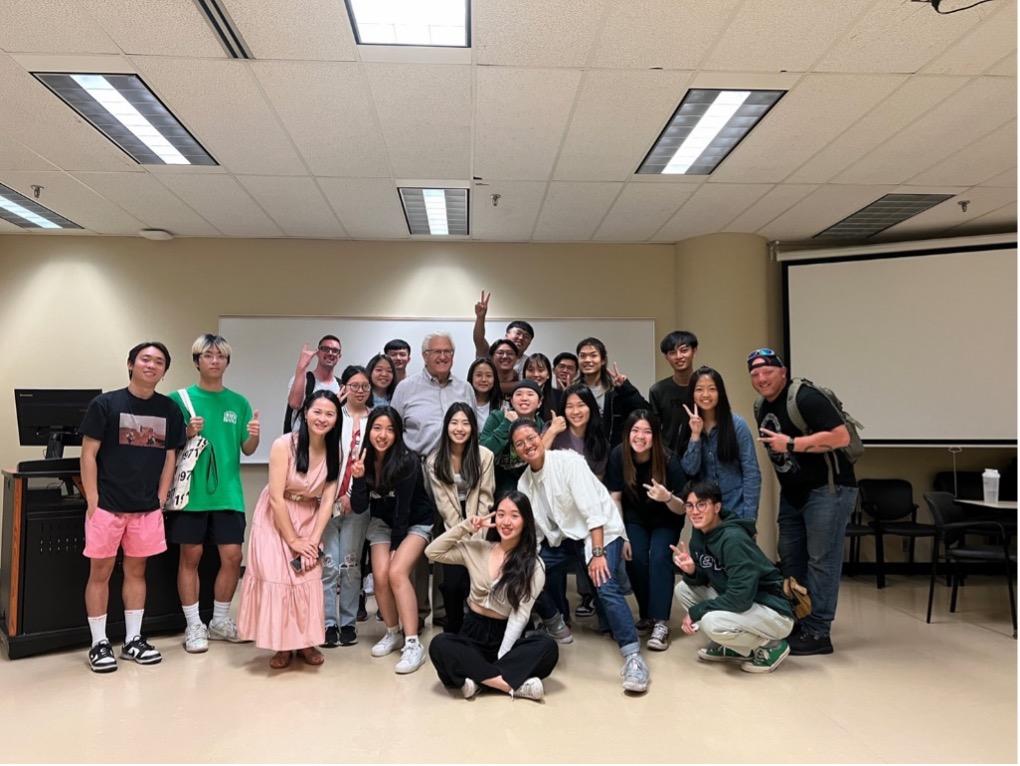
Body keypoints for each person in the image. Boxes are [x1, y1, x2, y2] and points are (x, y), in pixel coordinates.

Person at [512, 420, 651, 694]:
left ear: (541, 437)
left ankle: (634, 657)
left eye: (531, 438)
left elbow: (593, 512)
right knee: (526, 571)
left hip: (599, 531)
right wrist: (528, 561)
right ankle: (555, 623)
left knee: (604, 582)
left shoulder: (568, 462)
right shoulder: (524, 482)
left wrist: (597, 554)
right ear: (516, 451)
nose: (528, 445)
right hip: (564, 538)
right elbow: (538, 532)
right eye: (520, 443)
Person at [79, 342, 187, 673]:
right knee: (100, 573)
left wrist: (161, 497)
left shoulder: (169, 409)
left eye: (159, 362)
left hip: (146, 508)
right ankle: (99, 643)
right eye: (145, 359)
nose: (151, 366)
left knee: (137, 572)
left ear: (164, 370)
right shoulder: (105, 404)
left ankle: (133, 640)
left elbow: (171, 456)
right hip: (107, 507)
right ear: (131, 364)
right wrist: (93, 500)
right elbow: (88, 454)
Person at [747, 348, 857, 656]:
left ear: (782, 372)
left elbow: (841, 437)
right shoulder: (760, 406)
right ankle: (797, 621)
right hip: (794, 494)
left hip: (828, 490)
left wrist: (793, 443)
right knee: (790, 557)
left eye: (767, 371)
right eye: (754, 374)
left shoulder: (806, 397)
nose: (760, 378)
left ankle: (819, 631)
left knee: (822, 560)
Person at [167, 334, 259, 654]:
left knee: (233, 557)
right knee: (190, 557)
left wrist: (254, 436)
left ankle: (220, 621)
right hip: (191, 495)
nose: (215, 361)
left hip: (229, 494)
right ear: (197, 361)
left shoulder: (239, 402)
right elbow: (166, 447)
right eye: (208, 356)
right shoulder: (178, 400)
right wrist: (185, 431)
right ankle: (194, 624)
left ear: (227, 362)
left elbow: (247, 448)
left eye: (221, 356)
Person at [237, 391, 340, 669]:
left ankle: (306, 642)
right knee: (277, 578)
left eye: (329, 413)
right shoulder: (284, 445)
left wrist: (312, 540)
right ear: (305, 412)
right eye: (317, 412)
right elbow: (275, 496)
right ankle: (281, 645)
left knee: (307, 575)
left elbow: (328, 500)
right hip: (275, 517)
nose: (322, 418)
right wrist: (293, 539)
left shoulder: (335, 449)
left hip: (309, 516)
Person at [426, 492, 558, 701]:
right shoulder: (478, 548)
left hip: (506, 633)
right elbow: (433, 552)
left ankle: (476, 680)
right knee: (439, 644)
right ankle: (509, 685)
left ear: (525, 522)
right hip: (473, 630)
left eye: (514, 516)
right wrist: (466, 527)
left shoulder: (534, 565)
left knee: (548, 647)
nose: (506, 522)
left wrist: (502, 655)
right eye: (501, 514)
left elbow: (520, 616)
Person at [673, 480, 794, 673]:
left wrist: (697, 611)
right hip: (745, 601)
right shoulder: (699, 534)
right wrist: (692, 571)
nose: (695, 511)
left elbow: (740, 598)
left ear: (717, 507)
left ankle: (771, 645)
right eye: (690, 505)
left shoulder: (733, 539)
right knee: (683, 589)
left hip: (772, 610)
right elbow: (709, 578)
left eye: (702, 504)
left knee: (711, 622)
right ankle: (738, 648)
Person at [351, 407, 435, 674]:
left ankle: (413, 645)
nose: (382, 435)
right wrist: (358, 478)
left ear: (398, 433)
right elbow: (359, 505)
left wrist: (397, 548)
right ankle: (393, 631)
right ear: (369, 431)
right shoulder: (363, 458)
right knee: (379, 576)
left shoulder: (407, 461)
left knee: (397, 572)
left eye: (389, 429)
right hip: (381, 523)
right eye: (377, 428)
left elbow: (404, 509)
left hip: (415, 521)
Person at [605, 411, 686, 652]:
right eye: (635, 431)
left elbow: (682, 509)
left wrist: (667, 497)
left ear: (655, 436)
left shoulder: (669, 460)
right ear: (628, 433)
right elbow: (615, 498)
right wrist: (623, 535)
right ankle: (647, 615)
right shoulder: (620, 454)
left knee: (659, 557)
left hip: (666, 518)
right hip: (634, 517)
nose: (640, 437)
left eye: (647, 432)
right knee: (635, 556)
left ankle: (661, 622)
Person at [425, 403, 495, 634]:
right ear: (446, 427)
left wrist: (478, 535)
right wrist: (461, 535)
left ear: (473, 428)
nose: (460, 428)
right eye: (454, 422)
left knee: (476, 580)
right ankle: (454, 630)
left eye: (465, 423)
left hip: (481, 525)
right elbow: (445, 506)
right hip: (452, 527)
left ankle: (479, 629)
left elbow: (486, 497)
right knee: (453, 584)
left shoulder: (485, 456)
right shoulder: (435, 461)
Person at [542, 382, 609, 619]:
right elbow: (535, 460)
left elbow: (597, 484)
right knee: (550, 565)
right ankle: (560, 618)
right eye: (569, 406)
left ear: (590, 407)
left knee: (597, 564)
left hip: (587, 514)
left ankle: (605, 618)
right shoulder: (556, 433)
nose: (575, 411)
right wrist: (551, 431)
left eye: (581, 405)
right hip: (555, 513)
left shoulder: (598, 438)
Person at [321, 366, 372, 648]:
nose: (360, 390)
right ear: (346, 387)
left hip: (358, 504)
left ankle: (348, 622)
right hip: (327, 501)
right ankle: (328, 623)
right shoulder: (331, 416)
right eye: (354, 385)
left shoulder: (375, 419)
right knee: (329, 565)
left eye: (365, 385)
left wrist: (353, 495)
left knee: (350, 565)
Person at [677, 366, 761, 521]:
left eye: (712, 389)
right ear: (692, 394)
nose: (706, 395)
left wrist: (749, 518)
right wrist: (695, 435)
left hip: (736, 510)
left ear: (720, 393)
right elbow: (690, 470)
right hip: (703, 513)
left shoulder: (737, 425)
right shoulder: (687, 427)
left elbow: (751, 473)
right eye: (699, 389)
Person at [390, 331, 475, 457]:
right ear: (425, 356)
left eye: (447, 351)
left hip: (458, 467)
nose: (443, 357)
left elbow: (473, 430)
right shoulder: (405, 388)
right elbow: (393, 430)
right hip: (417, 467)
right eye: (437, 352)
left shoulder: (465, 388)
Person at [576, 337, 649, 446]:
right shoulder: (574, 391)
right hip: (581, 451)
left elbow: (645, 413)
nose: (587, 360)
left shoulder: (615, 390)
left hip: (612, 452)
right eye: (582, 356)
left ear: (603, 360)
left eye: (593, 355)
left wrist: (625, 388)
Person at [480, 380, 546, 496]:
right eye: (519, 394)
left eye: (530, 394)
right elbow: (483, 452)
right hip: (498, 487)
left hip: (532, 487)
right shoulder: (497, 417)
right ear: (511, 401)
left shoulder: (541, 426)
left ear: (539, 402)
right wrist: (506, 424)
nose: (524, 398)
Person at [648, 330, 698, 450]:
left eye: (684, 350)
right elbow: (654, 429)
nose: (679, 356)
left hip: (702, 453)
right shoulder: (658, 390)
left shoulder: (705, 387)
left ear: (694, 351)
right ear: (666, 357)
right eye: (672, 352)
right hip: (669, 457)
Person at [284, 335, 342, 432]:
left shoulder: (340, 386)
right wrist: (301, 367)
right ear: (318, 353)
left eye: (335, 350)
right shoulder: (304, 378)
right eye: (326, 349)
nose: (330, 353)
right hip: (300, 443)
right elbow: (295, 404)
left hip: (328, 444)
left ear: (339, 356)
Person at [472, 290, 535, 375]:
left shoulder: (529, 363)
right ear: (507, 334)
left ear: (529, 343)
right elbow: (479, 340)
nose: (521, 338)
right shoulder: (493, 354)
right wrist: (480, 317)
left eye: (526, 337)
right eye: (518, 333)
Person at [524, 352, 560, 421]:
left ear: (548, 375)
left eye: (540, 370)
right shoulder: (517, 395)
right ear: (524, 373)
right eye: (531, 370)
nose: (536, 374)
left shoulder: (559, 396)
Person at [467, 356, 502, 427]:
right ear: (471, 377)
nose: (483, 379)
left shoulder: (502, 406)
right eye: (479, 375)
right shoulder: (463, 402)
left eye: (488, 376)